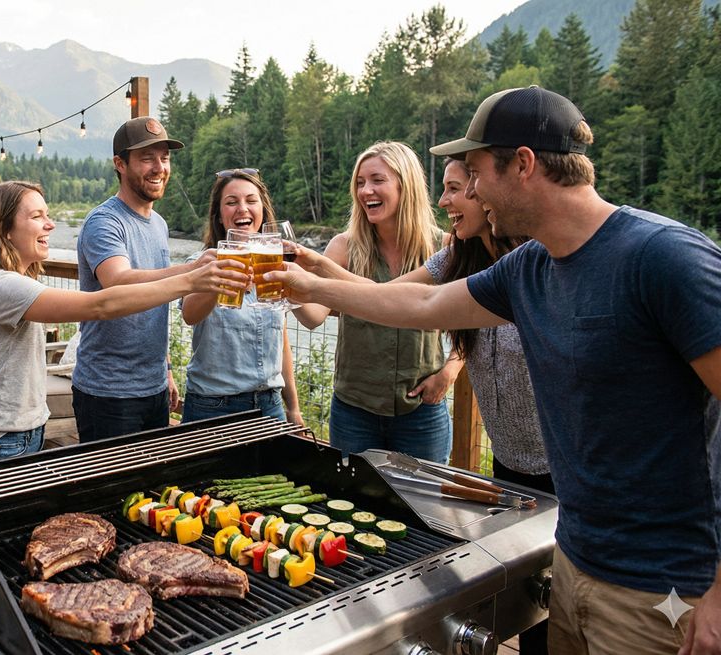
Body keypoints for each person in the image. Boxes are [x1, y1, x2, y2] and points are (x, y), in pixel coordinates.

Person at [266, 86, 721, 655]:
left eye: (477, 171)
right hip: (575, 560)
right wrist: (310, 284)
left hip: (665, 589)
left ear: (524, 165)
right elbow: (425, 306)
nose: (471, 189)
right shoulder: (530, 266)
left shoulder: (664, 259)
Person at [301, 157, 552, 654]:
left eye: (457, 188)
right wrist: (309, 273)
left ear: (486, 193)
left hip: (555, 460)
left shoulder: (524, 261)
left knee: (544, 599)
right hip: (506, 459)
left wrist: (450, 370)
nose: (446, 200)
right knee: (530, 586)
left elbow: (422, 310)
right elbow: (389, 298)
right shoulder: (455, 256)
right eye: (361, 180)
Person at [0, 181, 248, 468]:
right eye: (38, 216)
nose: (50, 224)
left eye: (48, 215)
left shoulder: (8, 282)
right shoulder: (0, 286)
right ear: (3, 229)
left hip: (13, 438)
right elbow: (101, 304)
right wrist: (192, 278)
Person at [73, 116, 217, 442]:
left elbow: (156, 302)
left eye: (164, 158)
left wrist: (165, 370)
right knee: (112, 491)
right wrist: (192, 271)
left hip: (153, 388)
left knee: (149, 490)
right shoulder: (104, 222)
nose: (159, 167)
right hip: (108, 393)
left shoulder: (159, 224)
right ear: (120, 164)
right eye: (147, 158)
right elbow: (118, 282)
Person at [320, 141, 456, 464]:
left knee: (423, 510)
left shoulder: (445, 247)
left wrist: (448, 373)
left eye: (377, 180)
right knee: (350, 507)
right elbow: (312, 314)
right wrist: (292, 286)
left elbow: (475, 320)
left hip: (422, 414)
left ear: (404, 184)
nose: (366, 191)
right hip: (353, 413)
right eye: (360, 183)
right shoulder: (343, 248)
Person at [179, 168, 327, 425]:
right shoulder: (203, 263)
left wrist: (293, 407)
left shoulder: (276, 266)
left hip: (269, 405)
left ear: (262, 210)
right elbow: (190, 315)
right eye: (231, 202)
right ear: (219, 215)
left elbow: (301, 325)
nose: (242, 209)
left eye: (251, 200)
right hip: (212, 405)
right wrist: (221, 277)